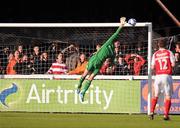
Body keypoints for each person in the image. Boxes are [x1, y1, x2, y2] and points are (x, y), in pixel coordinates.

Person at [77, 17, 126, 102]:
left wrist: (111, 66)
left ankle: (83, 92)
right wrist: (121, 25)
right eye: (117, 42)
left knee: (91, 78)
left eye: (119, 43)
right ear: (114, 42)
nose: (118, 44)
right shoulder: (109, 43)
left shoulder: (113, 53)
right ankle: (78, 86)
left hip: (99, 65)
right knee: (84, 75)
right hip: (94, 60)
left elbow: (112, 62)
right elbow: (116, 33)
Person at [149, 39, 175, 121]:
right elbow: (173, 64)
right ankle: (166, 115)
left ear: (158, 45)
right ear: (166, 45)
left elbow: (152, 67)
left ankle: (151, 112)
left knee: (155, 95)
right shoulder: (169, 52)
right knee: (168, 96)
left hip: (158, 76)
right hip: (166, 75)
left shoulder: (155, 54)